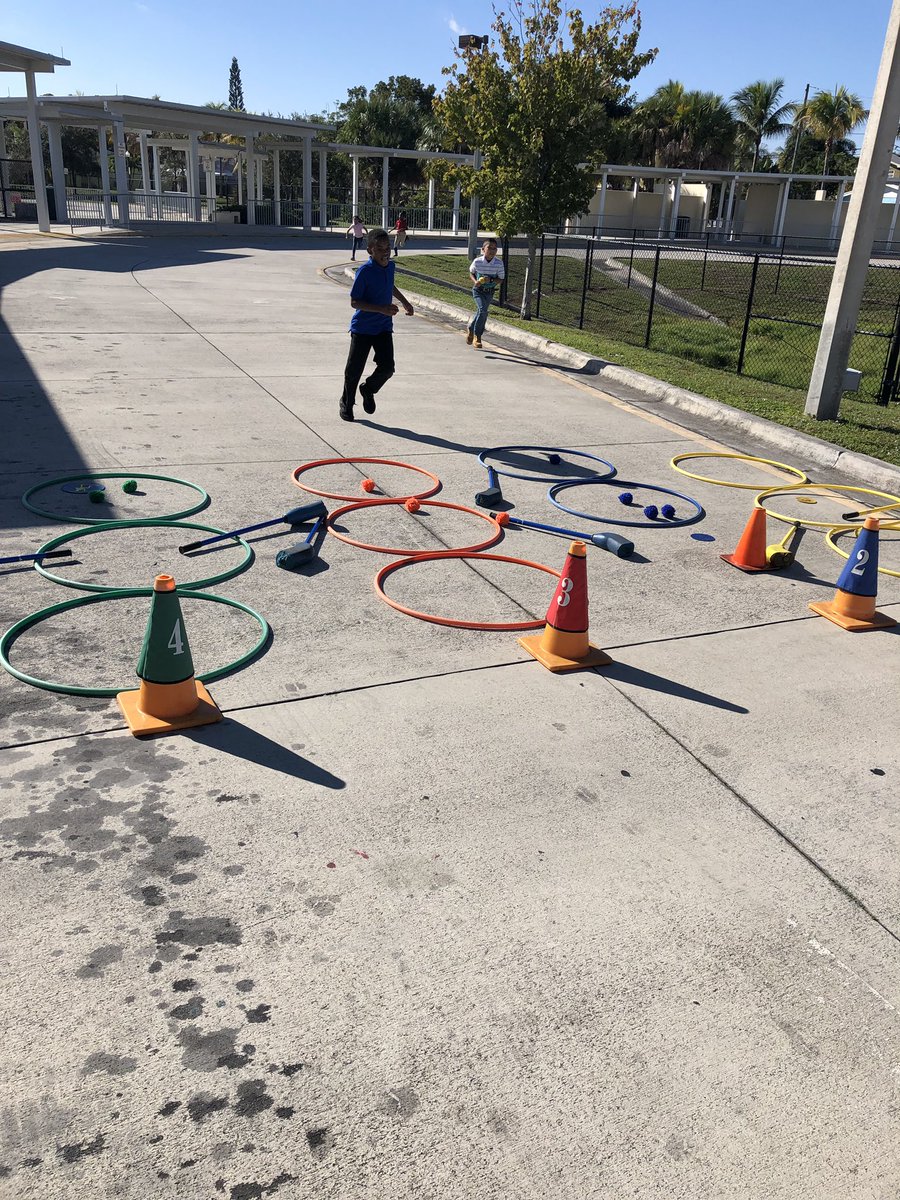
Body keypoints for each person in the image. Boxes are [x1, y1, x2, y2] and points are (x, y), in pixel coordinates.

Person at [339, 228, 414, 422]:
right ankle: (347, 403)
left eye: (387, 247)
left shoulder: (390, 267)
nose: (385, 252)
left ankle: (368, 389)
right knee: (354, 370)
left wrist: (405, 301)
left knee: (388, 368)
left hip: (383, 327)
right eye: (380, 248)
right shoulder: (364, 271)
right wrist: (381, 309)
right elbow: (355, 302)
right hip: (362, 328)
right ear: (370, 250)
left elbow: (390, 285)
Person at [467, 239, 505, 349]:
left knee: (481, 312)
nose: (492, 251)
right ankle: (477, 336)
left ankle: (471, 328)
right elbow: (471, 273)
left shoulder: (498, 263)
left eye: (494, 248)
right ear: (483, 249)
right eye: (489, 248)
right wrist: (476, 282)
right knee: (483, 310)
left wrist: (491, 281)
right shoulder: (477, 261)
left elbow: (501, 279)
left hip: (489, 292)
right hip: (478, 291)